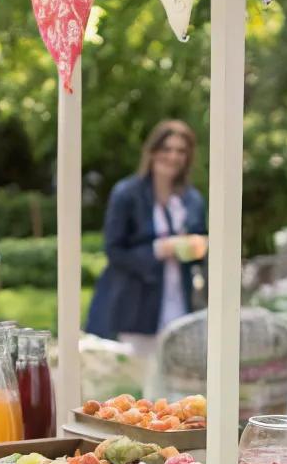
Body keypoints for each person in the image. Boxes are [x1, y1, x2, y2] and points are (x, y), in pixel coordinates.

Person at [86, 120, 207, 388]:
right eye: (166, 148)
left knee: (176, 382)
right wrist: (159, 249)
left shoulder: (192, 199)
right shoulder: (127, 194)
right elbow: (114, 251)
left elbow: (201, 245)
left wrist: (198, 247)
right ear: (152, 151)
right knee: (136, 380)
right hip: (137, 303)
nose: (173, 156)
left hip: (180, 299)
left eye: (180, 150)